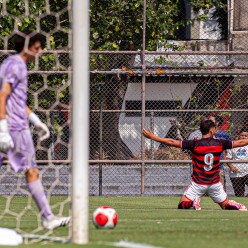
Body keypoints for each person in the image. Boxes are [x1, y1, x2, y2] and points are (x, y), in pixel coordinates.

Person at [0, 31, 70, 229]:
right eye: (37, 48)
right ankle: (48, 217)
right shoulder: (17, 65)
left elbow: (17, 99)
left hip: (11, 124)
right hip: (14, 128)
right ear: (27, 47)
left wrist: (35, 120)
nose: (40, 52)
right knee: (32, 171)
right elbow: (2, 95)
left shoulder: (9, 63)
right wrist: (3, 128)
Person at [143, 119, 247, 211]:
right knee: (225, 206)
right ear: (211, 131)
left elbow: (171, 142)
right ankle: (234, 205)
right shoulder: (220, 142)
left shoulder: (194, 143)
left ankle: (193, 202)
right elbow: (240, 142)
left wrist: (153, 137)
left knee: (182, 205)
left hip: (198, 183)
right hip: (215, 183)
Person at [188, 115, 231, 189]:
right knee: (200, 190)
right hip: (199, 167)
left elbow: (227, 149)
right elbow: (188, 149)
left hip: (216, 166)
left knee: (219, 189)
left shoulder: (214, 135)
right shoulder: (194, 134)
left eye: (210, 121)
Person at [226, 129, 248, 197]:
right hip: (236, 173)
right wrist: (232, 167)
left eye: (246, 136)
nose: (244, 137)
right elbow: (228, 159)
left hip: (247, 171)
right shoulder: (233, 145)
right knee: (239, 194)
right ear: (238, 136)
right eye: (242, 135)